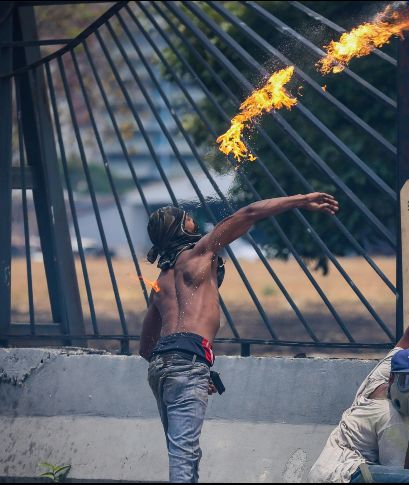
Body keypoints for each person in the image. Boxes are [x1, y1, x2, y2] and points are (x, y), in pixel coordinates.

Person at [139, 192, 339, 483]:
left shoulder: (159, 284)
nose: (198, 225)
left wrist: (188, 363)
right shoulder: (199, 254)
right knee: (184, 456)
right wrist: (301, 200)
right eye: (192, 222)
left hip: (161, 366)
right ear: (182, 231)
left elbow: (146, 347)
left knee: (184, 453)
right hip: (187, 361)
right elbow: (248, 214)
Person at [308, 278, 409, 483]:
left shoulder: (379, 376)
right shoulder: (392, 417)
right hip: (342, 476)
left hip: (325, 471)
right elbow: (400, 472)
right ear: (393, 378)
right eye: (408, 380)